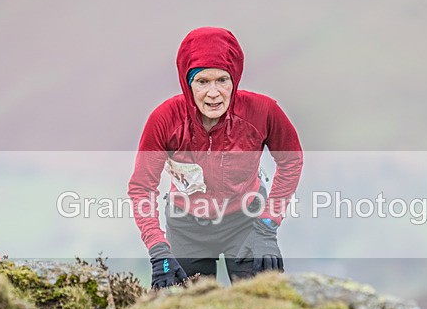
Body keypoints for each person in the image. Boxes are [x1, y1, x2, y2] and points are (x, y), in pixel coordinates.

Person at [128, 27, 303, 289]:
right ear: (187, 83)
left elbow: (291, 160)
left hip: (246, 222)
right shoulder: (165, 120)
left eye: (222, 79)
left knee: (264, 308)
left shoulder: (262, 112)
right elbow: (142, 187)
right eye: (202, 81)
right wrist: (159, 251)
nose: (213, 93)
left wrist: (268, 223)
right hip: (186, 226)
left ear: (235, 78)